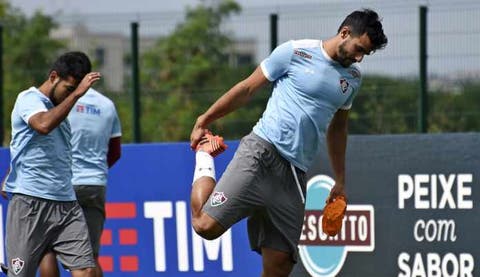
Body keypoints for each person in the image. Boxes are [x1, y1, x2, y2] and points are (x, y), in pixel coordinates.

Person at [189, 9, 387, 277]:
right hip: (261, 153)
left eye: (366, 54)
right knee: (205, 225)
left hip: (294, 175)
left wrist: (340, 181)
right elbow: (247, 88)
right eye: (359, 48)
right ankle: (204, 155)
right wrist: (205, 119)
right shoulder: (295, 52)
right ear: (344, 33)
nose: (359, 57)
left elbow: (338, 128)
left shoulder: (353, 78)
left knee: (280, 267)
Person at [2, 52, 101, 277]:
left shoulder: (59, 108)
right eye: (68, 88)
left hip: (66, 203)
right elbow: (42, 125)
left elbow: (32, 144)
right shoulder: (29, 99)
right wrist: (76, 94)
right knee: (21, 274)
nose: (71, 95)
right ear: (53, 76)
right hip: (30, 203)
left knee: (86, 269)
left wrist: (11, 169)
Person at [38, 87, 122, 277]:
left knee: (47, 250)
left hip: (60, 184)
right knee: (88, 257)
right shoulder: (106, 104)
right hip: (94, 184)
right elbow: (115, 151)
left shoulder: (57, 103)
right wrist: (95, 171)